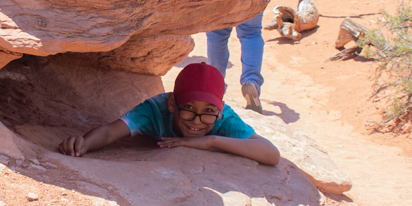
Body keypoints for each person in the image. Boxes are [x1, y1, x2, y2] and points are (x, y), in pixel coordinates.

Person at [58, 62, 280, 165]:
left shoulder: (223, 119)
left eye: (209, 112)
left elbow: (271, 154)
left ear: (220, 109)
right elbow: (109, 132)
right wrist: (84, 143)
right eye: (189, 109)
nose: (197, 122)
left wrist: (211, 140)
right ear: (172, 103)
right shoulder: (156, 110)